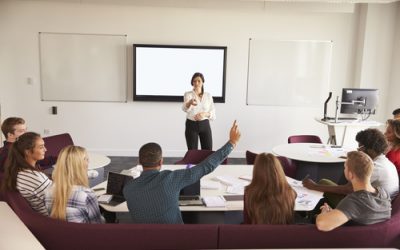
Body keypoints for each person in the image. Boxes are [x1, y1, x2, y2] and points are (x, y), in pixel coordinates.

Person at [123, 120, 241, 224]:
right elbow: (206, 166)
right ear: (161, 162)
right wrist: (232, 143)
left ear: (139, 161)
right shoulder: (171, 179)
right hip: (176, 240)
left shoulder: (128, 188)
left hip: (144, 242)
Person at [303, 128, 399, 207]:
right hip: (375, 203)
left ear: (368, 149)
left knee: (323, 183)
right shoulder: (385, 163)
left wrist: (314, 186)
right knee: (331, 184)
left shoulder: (376, 168)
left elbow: (348, 189)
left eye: (359, 148)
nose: (358, 151)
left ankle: (312, 215)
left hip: (367, 208)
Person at [315, 151, 391, 232]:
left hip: (347, 238)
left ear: (350, 175)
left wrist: (323, 213)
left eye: (345, 167)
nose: (344, 169)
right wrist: (334, 213)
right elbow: (363, 214)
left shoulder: (354, 201)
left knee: (315, 217)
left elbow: (321, 224)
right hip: (374, 238)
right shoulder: (384, 193)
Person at [45, 145, 103, 223]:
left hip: (60, 232)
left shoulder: (49, 190)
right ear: (79, 165)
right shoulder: (87, 194)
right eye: (86, 159)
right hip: (84, 234)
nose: (88, 162)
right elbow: (97, 224)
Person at [1, 132, 52, 216]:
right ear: (27, 152)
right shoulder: (32, 176)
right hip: (55, 215)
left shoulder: (20, 171)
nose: (45, 149)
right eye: (41, 147)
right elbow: (57, 199)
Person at [243, 153, 296, 224]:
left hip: (257, 233)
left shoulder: (249, 193)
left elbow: (247, 223)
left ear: (256, 171)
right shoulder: (290, 192)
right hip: (283, 234)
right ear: (279, 170)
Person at [182, 72, 216, 150]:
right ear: (192, 83)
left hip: (205, 125)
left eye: (199, 81)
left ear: (203, 82)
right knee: (192, 152)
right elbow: (184, 109)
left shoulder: (208, 95)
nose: (196, 83)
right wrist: (190, 103)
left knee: (208, 151)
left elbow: (213, 114)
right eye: (194, 81)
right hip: (191, 125)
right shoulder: (188, 94)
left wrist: (205, 114)